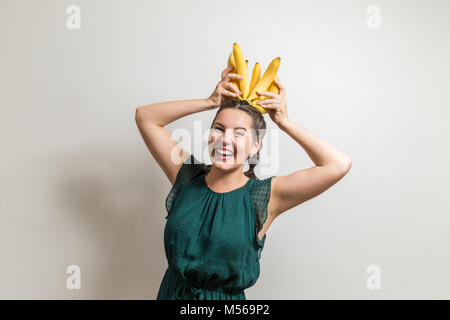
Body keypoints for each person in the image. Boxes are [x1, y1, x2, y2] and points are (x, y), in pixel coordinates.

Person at [135, 66, 352, 300]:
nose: (225, 140)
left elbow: (338, 164)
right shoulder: (186, 175)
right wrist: (211, 101)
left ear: (256, 145)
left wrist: (284, 122)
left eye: (239, 133)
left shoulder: (266, 196)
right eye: (219, 129)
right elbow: (145, 117)